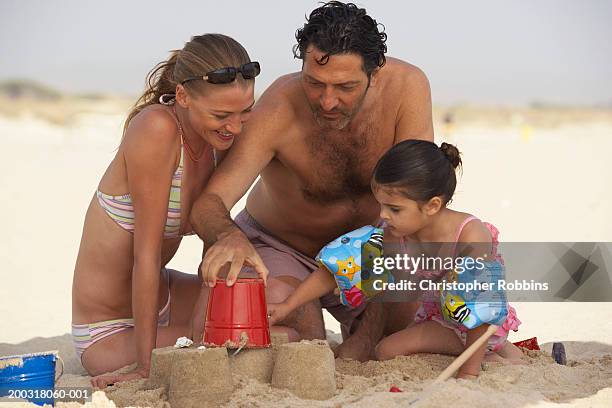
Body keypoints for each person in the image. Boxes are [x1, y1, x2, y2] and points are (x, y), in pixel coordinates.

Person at [190, 1, 433, 361]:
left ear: (375, 73)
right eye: (314, 83)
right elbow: (209, 202)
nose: (328, 101)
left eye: (345, 86)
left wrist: (367, 335)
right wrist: (228, 237)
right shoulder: (280, 107)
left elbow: (417, 207)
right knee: (302, 346)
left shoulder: (407, 90)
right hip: (281, 248)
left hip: (369, 252)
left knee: (401, 324)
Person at [71, 34, 260, 388]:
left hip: (165, 294)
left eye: (245, 112)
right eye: (221, 115)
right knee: (262, 337)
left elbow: (212, 250)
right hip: (110, 329)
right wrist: (146, 366)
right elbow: (145, 255)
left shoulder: (217, 141)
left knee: (274, 299)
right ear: (183, 96)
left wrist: (209, 323)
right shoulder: (157, 129)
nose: (235, 127)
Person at [268, 140, 524, 378]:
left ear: (433, 205)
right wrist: (288, 305)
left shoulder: (469, 234)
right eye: (381, 205)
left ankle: (491, 357)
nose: (383, 215)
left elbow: (480, 307)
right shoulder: (393, 235)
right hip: (440, 321)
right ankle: (500, 352)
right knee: (385, 351)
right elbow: (337, 269)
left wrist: (468, 374)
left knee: (391, 351)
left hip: (481, 325)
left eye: (395, 209)